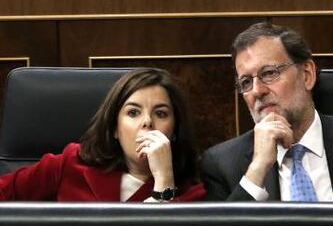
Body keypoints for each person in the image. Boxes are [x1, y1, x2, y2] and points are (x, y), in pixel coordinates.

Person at [201, 21, 333, 204]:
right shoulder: (222, 164)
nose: (257, 91)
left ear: (307, 75)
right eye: (246, 82)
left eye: (269, 73)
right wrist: (257, 169)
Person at [0, 68, 206, 202]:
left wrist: (164, 181)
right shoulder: (71, 163)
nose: (147, 122)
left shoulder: (192, 191)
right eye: (133, 112)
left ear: (175, 131)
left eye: (160, 113)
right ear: (115, 128)